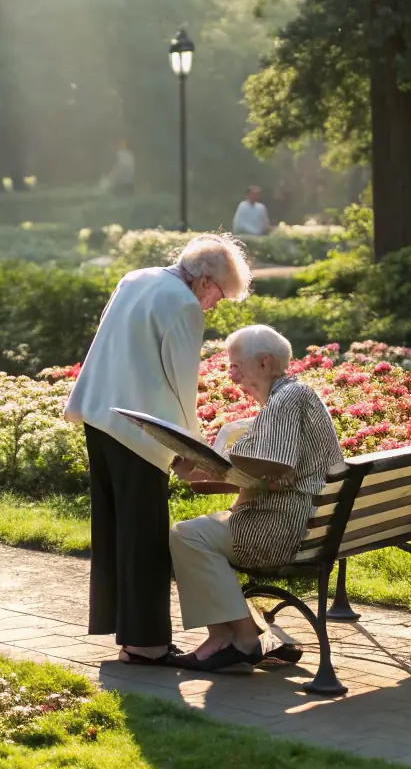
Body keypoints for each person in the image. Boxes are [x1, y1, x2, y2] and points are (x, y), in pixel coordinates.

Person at [62, 233, 251, 666]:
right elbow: (183, 385)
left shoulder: (137, 278)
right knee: (145, 534)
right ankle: (146, 643)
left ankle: (128, 634)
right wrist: (193, 449)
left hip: (99, 416)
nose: (215, 306)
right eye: (219, 296)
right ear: (205, 281)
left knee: (114, 529)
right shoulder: (183, 304)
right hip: (142, 432)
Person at [168, 324, 344, 673]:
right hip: (312, 522)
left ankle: (238, 640)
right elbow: (270, 476)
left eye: (236, 365)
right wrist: (204, 471)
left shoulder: (286, 400)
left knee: (186, 535)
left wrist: (208, 463)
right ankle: (250, 636)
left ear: (265, 363)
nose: (230, 373)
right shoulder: (294, 395)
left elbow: (270, 465)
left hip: (285, 528)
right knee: (199, 531)